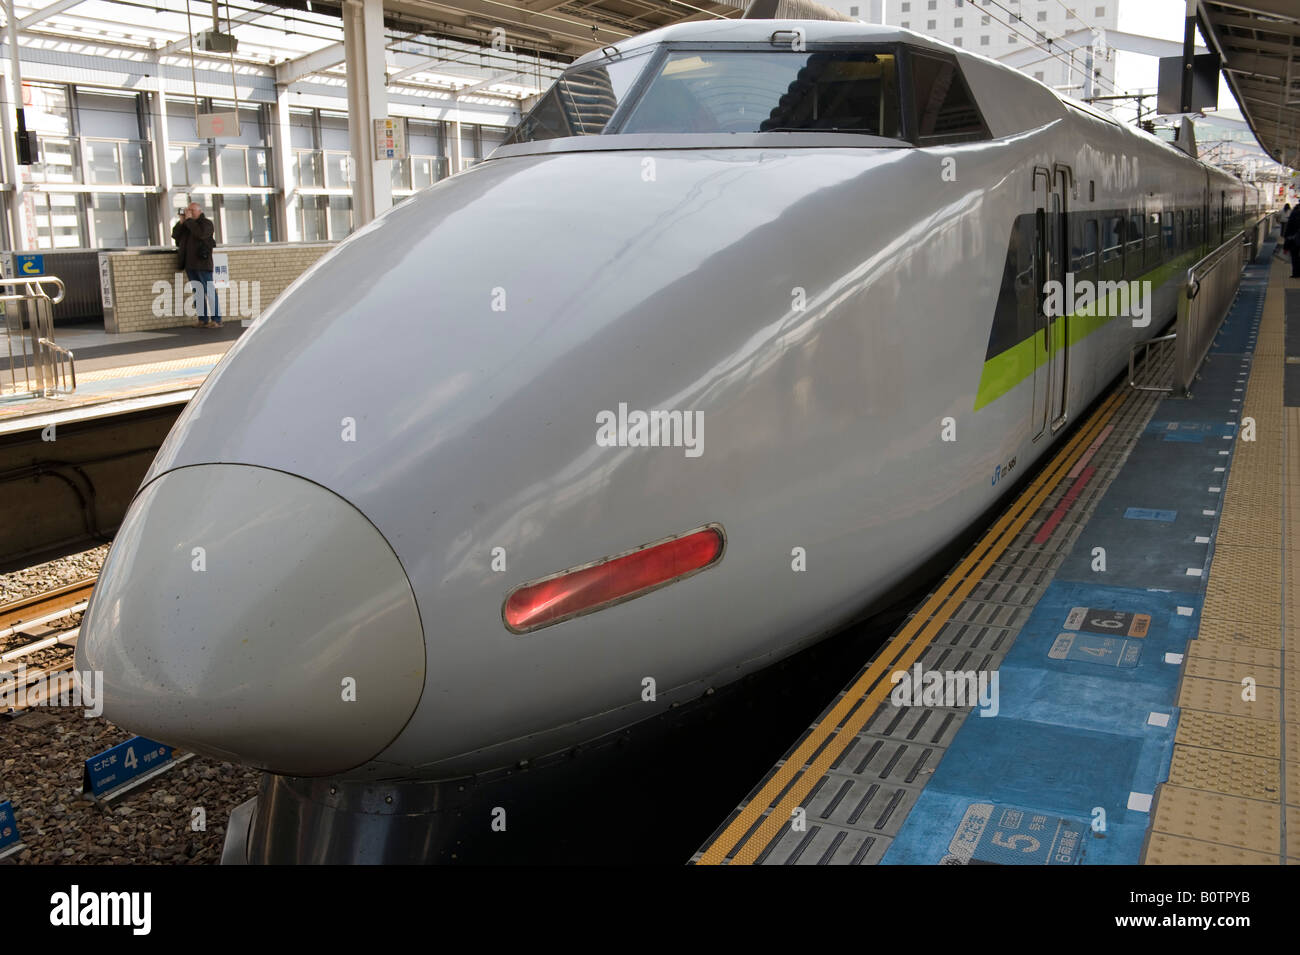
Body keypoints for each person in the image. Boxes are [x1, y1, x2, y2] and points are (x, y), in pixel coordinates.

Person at [172, 202, 221, 328]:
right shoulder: (187, 224)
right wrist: (182, 222)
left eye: (192, 210)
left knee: (209, 291)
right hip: (190, 264)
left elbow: (200, 234)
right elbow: (175, 235)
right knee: (197, 293)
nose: (189, 212)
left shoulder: (206, 223)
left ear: (199, 211)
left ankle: (216, 319)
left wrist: (189, 221)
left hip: (203, 264)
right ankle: (202, 319)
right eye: (188, 210)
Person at [1285, 207, 1300, 279]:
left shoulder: (1294, 214)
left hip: (1294, 240)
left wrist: (1285, 246)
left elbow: (1288, 229)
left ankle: (1295, 273)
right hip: (1295, 239)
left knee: (1294, 257)